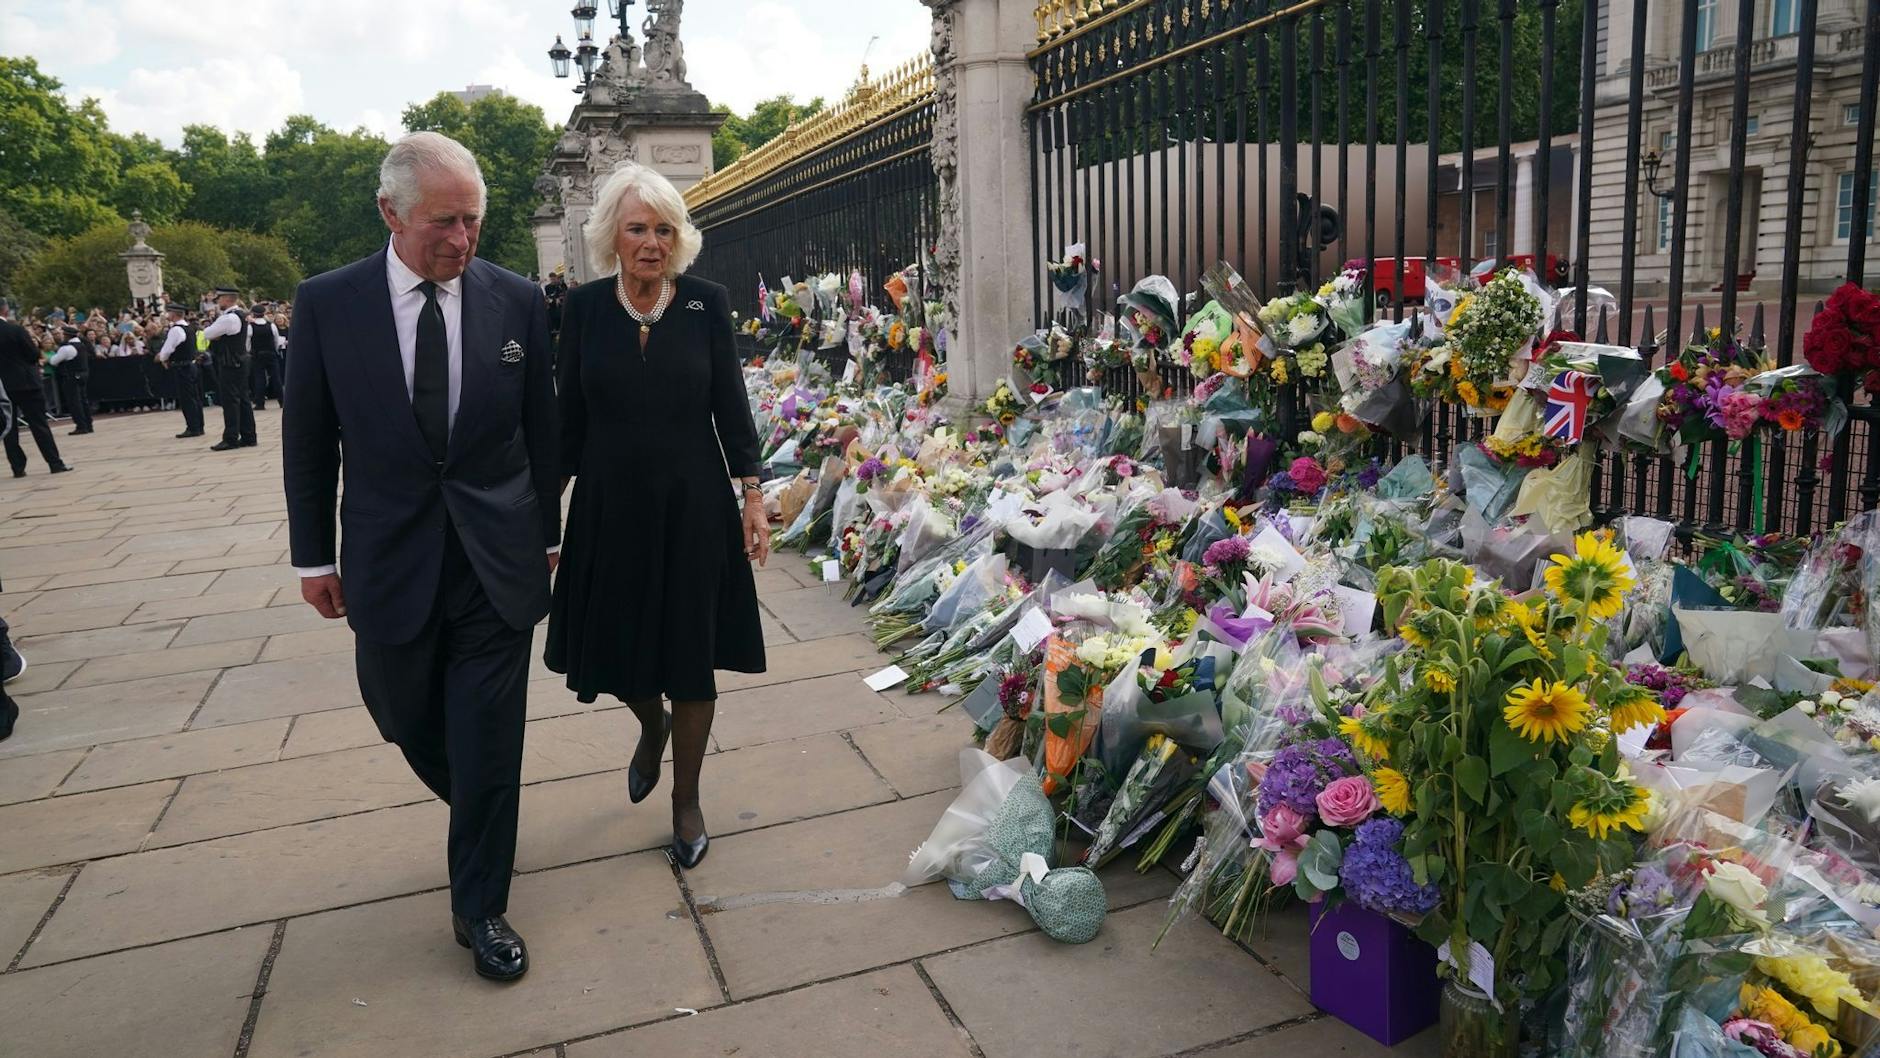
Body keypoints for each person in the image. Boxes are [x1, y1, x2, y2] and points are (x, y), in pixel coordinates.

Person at [283, 131, 560, 983]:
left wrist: (547, 533)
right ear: (389, 212)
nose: (462, 240)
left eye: (473, 221)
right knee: (401, 712)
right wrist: (311, 558)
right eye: (444, 222)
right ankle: (481, 809)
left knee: (488, 737)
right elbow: (308, 439)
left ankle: (480, 904)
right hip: (387, 556)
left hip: (496, 555)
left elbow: (542, 433)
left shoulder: (515, 300)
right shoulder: (330, 303)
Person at [545, 162, 768, 872]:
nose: (651, 241)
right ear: (612, 234)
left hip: (693, 503)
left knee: (691, 654)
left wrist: (753, 493)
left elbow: (730, 405)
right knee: (613, 647)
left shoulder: (705, 303)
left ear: (680, 238)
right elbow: (568, 416)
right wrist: (544, 510)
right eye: (638, 228)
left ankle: (687, 799)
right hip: (609, 504)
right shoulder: (581, 308)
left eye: (664, 229)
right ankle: (652, 724)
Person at [0, 302, 71, 476]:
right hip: (26, 382)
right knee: (39, 424)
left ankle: (18, 467)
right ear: (5, 310)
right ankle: (54, 462)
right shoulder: (15, 330)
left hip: (3, 385)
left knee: (9, 428)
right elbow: (32, 354)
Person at [203, 287, 255, 450]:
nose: (217, 302)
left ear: (226, 299)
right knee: (243, 399)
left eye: (219, 299)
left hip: (230, 362)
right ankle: (248, 435)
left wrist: (217, 335)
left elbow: (207, 333)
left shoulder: (229, 318)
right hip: (241, 359)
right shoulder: (242, 315)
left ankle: (231, 437)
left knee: (231, 400)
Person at [155, 302, 206, 438]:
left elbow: (167, 350)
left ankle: (193, 427)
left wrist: (163, 359)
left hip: (182, 367)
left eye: (169, 312)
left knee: (187, 398)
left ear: (173, 314)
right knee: (195, 397)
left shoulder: (176, 329)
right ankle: (199, 426)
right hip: (192, 365)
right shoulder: (189, 328)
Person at [48, 323, 95, 434]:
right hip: (83, 374)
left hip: (72, 376)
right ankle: (88, 424)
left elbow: (53, 361)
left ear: (67, 336)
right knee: (83, 400)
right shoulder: (82, 345)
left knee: (74, 402)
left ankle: (81, 426)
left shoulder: (67, 348)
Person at [248, 303, 283, 410]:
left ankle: (260, 403)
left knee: (259, 378)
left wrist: (249, 351)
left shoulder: (251, 327)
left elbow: (247, 343)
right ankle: (282, 401)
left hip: (257, 355)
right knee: (276, 377)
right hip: (271, 353)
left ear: (253, 314)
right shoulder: (271, 325)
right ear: (264, 313)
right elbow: (276, 340)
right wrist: (275, 349)